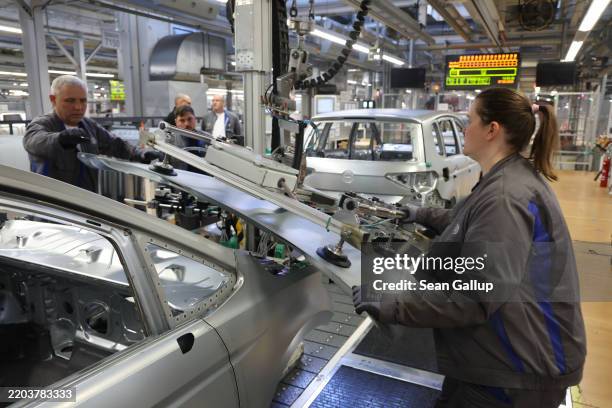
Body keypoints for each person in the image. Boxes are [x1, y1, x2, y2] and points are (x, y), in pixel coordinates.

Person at [353, 87, 586, 408]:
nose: (465, 128)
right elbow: (471, 220)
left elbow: (476, 295)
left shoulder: (506, 195)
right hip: (507, 356)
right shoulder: (509, 176)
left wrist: (394, 304)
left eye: (471, 120)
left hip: (518, 368)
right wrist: (418, 213)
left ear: (492, 130)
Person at [23, 75, 161, 192]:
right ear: (53, 100)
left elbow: (115, 144)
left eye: (83, 101)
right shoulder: (43, 124)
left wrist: (140, 154)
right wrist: (60, 139)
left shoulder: (89, 126)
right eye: (70, 101)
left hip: (87, 203)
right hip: (53, 209)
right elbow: (34, 141)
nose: (78, 107)